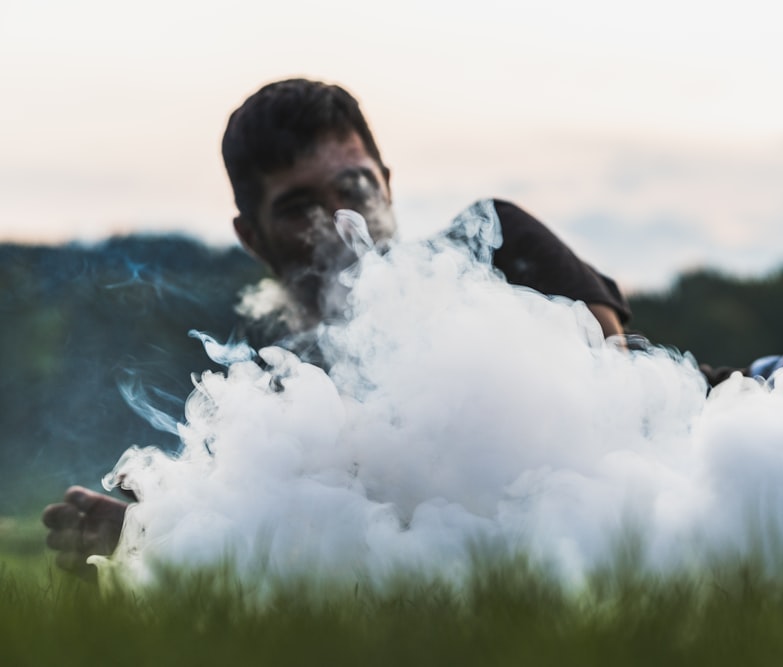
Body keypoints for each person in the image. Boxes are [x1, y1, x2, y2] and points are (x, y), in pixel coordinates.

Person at [43, 78, 635, 578]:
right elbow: (303, 548)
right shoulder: (275, 391)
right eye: (299, 206)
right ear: (252, 237)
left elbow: (609, 405)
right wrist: (157, 534)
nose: (340, 221)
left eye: (354, 188)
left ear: (388, 183)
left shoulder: (498, 243)